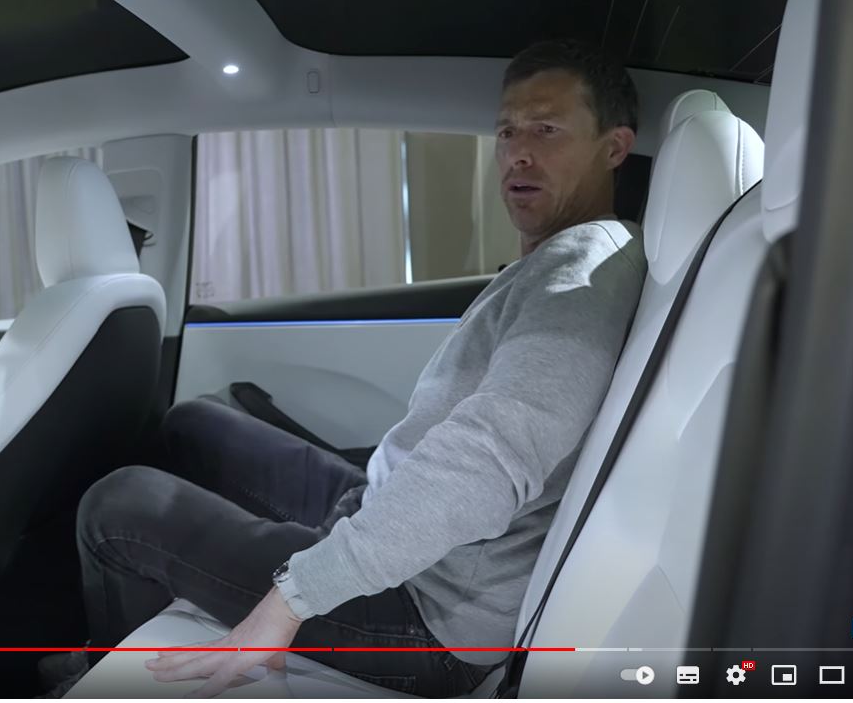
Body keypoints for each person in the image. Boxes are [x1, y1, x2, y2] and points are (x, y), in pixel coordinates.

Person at [73, 38, 647, 698]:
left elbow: (488, 462)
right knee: (192, 424)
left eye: (546, 130)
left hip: (427, 616)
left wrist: (289, 599)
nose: (518, 152)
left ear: (613, 146)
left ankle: (94, 672)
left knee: (118, 505)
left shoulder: (578, 283)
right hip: (390, 520)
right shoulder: (561, 258)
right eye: (506, 131)